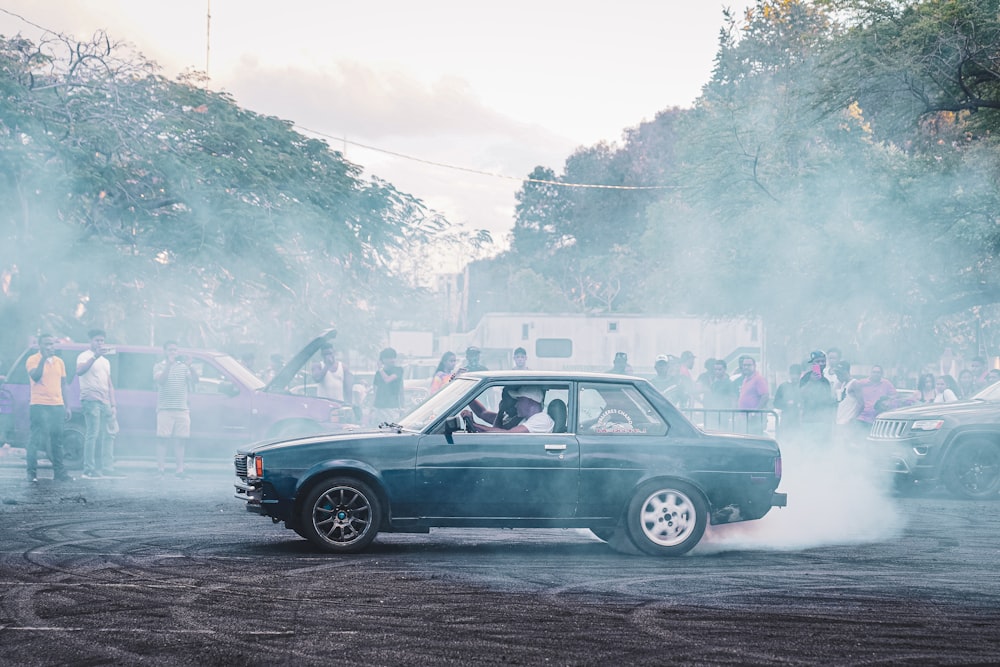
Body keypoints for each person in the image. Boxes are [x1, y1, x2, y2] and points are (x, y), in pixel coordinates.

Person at [25, 334, 73, 483]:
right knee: (35, 439)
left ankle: (59, 473)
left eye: (52, 344)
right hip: (39, 404)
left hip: (57, 405)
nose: (49, 347)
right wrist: (43, 359)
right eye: (46, 344)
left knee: (57, 440)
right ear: (40, 345)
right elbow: (35, 377)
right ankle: (31, 473)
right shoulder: (32, 359)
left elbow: (63, 384)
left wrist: (67, 405)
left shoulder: (59, 362)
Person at [76, 328, 117, 479]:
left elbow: (109, 383)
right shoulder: (84, 356)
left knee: (110, 433)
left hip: (105, 401)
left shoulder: (106, 361)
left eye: (102, 340)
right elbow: (79, 371)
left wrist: (113, 405)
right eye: (97, 340)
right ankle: (89, 469)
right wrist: (94, 356)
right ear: (91, 341)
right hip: (91, 400)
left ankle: (108, 467)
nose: (100, 343)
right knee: (92, 434)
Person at [153, 341, 198, 479]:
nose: (173, 352)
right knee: (162, 439)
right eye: (170, 350)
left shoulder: (184, 367)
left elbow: (195, 380)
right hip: (165, 408)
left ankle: (180, 469)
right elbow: (161, 380)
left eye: (175, 350)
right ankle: (161, 469)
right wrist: (169, 365)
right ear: (165, 352)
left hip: (182, 409)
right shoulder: (159, 366)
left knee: (180, 440)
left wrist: (191, 366)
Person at [462, 386, 553, 433]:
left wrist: (474, 425)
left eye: (519, 400)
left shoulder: (541, 419)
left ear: (530, 402)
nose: (516, 405)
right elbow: (483, 413)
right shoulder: (525, 420)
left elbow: (507, 434)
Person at [799, 350, 836, 443]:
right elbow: (800, 394)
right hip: (809, 420)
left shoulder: (825, 381)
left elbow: (827, 400)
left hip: (824, 420)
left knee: (822, 447)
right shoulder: (806, 377)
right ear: (813, 363)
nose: (821, 364)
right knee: (809, 446)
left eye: (823, 361)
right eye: (818, 361)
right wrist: (811, 382)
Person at [371, 347, 404, 425]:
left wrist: (403, 407)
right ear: (383, 360)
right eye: (389, 358)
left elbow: (388, 380)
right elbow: (375, 391)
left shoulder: (398, 370)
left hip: (393, 407)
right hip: (379, 407)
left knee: (392, 428)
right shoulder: (378, 373)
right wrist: (371, 409)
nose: (392, 360)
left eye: (393, 357)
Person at [773, 364, 803, 435]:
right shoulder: (783, 386)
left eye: (796, 374)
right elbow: (776, 403)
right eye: (793, 374)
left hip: (800, 420)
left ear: (800, 375)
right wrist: (786, 403)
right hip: (786, 420)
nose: (794, 376)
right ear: (789, 374)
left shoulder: (803, 386)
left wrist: (801, 404)